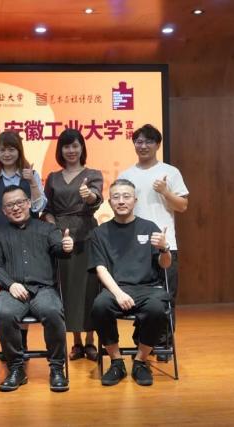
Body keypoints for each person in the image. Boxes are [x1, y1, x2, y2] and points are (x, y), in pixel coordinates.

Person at [0, 185, 74, 393]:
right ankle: (16, 368)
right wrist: (10, 284)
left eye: (19, 202)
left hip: (43, 289)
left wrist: (66, 246)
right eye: (10, 205)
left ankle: (56, 368)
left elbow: (59, 249)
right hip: (12, 290)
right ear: (4, 210)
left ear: (28, 203)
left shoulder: (47, 229)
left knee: (52, 311)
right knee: (5, 313)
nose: (16, 208)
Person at [88, 179, 171, 387]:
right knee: (99, 306)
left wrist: (164, 249)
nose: (121, 201)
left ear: (135, 200)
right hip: (116, 288)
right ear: (109, 202)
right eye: (116, 197)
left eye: (126, 196)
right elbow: (100, 268)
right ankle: (116, 362)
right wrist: (118, 293)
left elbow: (165, 264)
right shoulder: (100, 232)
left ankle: (140, 361)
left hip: (148, 288)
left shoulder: (149, 227)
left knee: (156, 309)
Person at [118, 124, 188, 359]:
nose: (143, 146)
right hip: (133, 248)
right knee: (140, 297)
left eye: (148, 141)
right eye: (138, 141)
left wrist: (165, 192)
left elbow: (183, 206)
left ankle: (164, 344)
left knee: (167, 296)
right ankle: (141, 343)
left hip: (165, 244)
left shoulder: (170, 172)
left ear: (158, 145)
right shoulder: (126, 175)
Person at [0, 130, 46, 349]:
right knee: (8, 288)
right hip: (0, 242)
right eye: (2, 150)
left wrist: (32, 181)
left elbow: (39, 206)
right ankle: (13, 342)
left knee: (25, 286)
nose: (6, 154)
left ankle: (21, 341)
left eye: (11, 149)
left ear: (19, 150)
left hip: (28, 241)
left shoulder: (30, 174)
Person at [42, 129, 104, 361]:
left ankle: (90, 340)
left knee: (90, 289)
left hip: (87, 236)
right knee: (68, 290)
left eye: (75, 145)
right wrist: (54, 229)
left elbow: (95, 198)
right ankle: (76, 342)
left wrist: (88, 195)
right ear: (61, 150)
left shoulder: (93, 174)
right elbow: (47, 210)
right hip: (61, 240)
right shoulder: (53, 178)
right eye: (66, 146)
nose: (71, 150)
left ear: (82, 148)